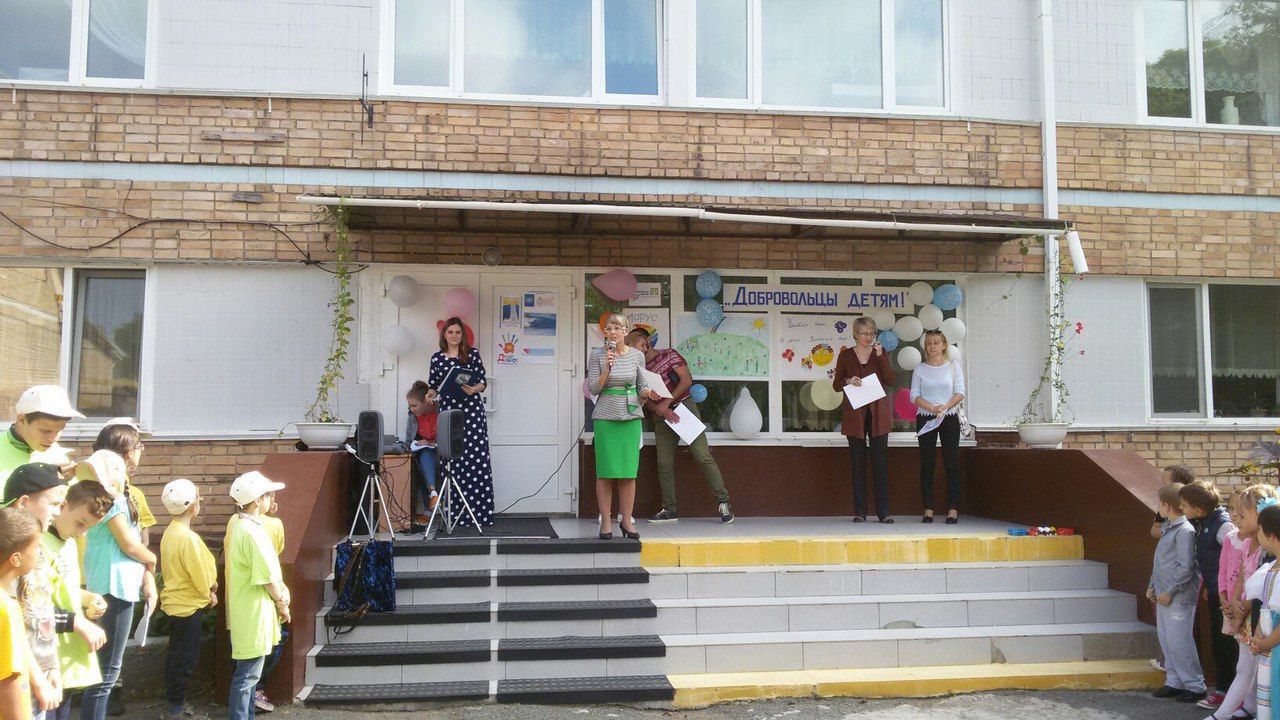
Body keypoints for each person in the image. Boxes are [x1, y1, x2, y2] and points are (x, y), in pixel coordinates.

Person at [624, 330, 733, 525]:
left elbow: (686, 380)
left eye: (635, 347)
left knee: (702, 455)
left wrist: (668, 402)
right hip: (662, 415)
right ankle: (669, 509)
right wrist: (660, 410)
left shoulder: (669, 354)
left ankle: (723, 502)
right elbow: (641, 397)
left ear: (645, 343)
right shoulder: (638, 369)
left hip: (684, 408)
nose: (634, 352)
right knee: (664, 463)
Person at [79, 449, 156, 720]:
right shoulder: (115, 501)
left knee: (102, 668)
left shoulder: (95, 500)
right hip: (116, 587)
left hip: (102, 583)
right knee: (108, 670)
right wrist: (152, 559)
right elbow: (130, 545)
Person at [4, 463, 72, 719]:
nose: (58, 512)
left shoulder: (36, 548)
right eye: (54, 504)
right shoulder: (13, 555)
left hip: (39, 678)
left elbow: (41, 611)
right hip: (19, 684)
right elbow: (14, 632)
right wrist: (39, 681)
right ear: (24, 502)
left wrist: (51, 666)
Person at [44, 479, 114, 720]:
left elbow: (66, 589)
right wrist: (79, 623)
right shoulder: (39, 544)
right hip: (47, 658)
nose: (82, 533)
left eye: (88, 528)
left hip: (66, 660)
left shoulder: (70, 543)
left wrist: (90, 599)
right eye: (80, 523)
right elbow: (34, 605)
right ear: (63, 506)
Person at [587, 314, 660, 540]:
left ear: (626, 332)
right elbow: (593, 388)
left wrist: (650, 393)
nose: (612, 332)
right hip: (605, 417)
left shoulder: (637, 356)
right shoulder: (597, 355)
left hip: (630, 416)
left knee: (628, 472)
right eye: (609, 328)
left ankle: (626, 520)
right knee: (605, 472)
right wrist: (608, 369)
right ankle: (606, 522)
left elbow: (641, 386)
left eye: (617, 328)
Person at [224, 471, 290, 720]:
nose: (270, 500)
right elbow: (268, 578)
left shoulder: (240, 526)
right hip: (254, 612)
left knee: (247, 676)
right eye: (267, 496)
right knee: (247, 677)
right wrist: (282, 602)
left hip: (247, 610)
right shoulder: (253, 532)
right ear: (257, 500)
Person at [428, 318, 495, 528]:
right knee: (452, 458)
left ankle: (480, 513)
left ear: (462, 335)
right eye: (450, 332)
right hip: (449, 412)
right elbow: (434, 386)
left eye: (458, 332)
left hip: (472, 412)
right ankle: (454, 512)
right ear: (444, 335)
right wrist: (430, 395)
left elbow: (482, 381)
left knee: (476, 459)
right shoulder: (437, 358)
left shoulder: (472, 354)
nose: (454, 335)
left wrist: (475, 389)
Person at [158, 479, 216, 720]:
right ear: (193, 506)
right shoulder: (188, 538)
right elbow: (199, 574)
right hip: (188, 606)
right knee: (185, 659)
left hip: (175, 604)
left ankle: (174, 705)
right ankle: (176, 708)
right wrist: (209, 591)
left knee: (176, 656)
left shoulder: (170, 533)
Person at [1180, 480, 1238, 711]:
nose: (1181, 509)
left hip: (1228, 597)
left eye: (1184, 505)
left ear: (1197, 509)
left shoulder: (1222, 527)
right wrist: (1210, 585)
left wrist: (1226, 589)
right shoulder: (1203, 522)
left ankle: (1227, 692)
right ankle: (1225, 691)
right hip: (1216, 591)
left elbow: (1236, 558)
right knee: (1218, 641)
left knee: (1226, 645)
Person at [833, 317, 896, 523]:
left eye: (872, 333)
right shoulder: (845, 356)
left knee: (880, 464)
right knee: (858, 464)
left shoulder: (880, 353)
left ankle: (883, 513)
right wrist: (848, 380)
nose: (868, 337)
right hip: (855, 415)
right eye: (864, 333)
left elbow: (890, 380)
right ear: (855, 334)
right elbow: (836, 385)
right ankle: (860, 512)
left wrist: (880, 357)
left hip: (878, 413)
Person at [1149, 482, 1207, 704]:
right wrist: (1152, 586)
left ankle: (1195, 685)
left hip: (1178, 596)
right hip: (1163, 593)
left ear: (1166, 506)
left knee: (1180, 640)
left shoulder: (1184, 531)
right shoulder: (1170, 528)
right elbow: (1160, 562)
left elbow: (1186, 567)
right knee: (1167, 639)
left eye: (1159, 504)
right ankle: (1174, 681)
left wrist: (1170, 591)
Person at [1212, 488, 1263, 720]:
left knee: (1246, 668)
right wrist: (1233, 600)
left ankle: (1221, 715)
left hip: (1253, 613)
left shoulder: (1265, 549)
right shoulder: (1248, 543)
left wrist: (1242, 610)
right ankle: (1249, 707)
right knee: (1248, 666)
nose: (1236, 519)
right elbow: (1242, 574)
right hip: (1242, 610)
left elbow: (1259, 585)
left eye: (1242, 515)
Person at [910, 329, 966, 524]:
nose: (932, 346)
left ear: (944, 345)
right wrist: (932, 407)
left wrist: (945, 406)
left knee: (951, 463)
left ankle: (953, 508)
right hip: (926, 418)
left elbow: (960, 392)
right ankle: (928, 508)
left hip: (948, 418)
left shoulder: (953, 366)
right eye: (928, 343)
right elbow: (914, 396)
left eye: (936, 343)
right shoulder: (920, 369)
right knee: (927, 464)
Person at [0, 507, 43, 720]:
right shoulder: (6, 609)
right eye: (36, 547)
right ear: (16, 559)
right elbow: (8, 680)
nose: (39, 553)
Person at [1, 386, 83, 491]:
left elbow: (72, 499)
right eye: (46, 431)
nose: (53, 439)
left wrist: (64, 482)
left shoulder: (56, 453)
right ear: (21, 420)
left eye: (59, 431)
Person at [252, 492, 287, 714]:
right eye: (269, 496)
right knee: (276, 639)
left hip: (241, 600)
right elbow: (278, 550)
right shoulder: (273, 525)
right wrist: (282, 602)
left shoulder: (235, 524)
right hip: (266, 596)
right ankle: (257, 689)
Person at [1247, 502, 1280, 720]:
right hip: (1269, 645)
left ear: (1271, 535)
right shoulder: (1272, 566)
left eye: (1259, 529)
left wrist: (1268, 643)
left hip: (1275, 644)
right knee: (1269, 695)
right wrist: (1259, 634)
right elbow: (1266, 604)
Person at [402, 381, 441, 526]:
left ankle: (431, 503)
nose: (411, 409)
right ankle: (432, 495)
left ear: (425, 402)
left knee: (426, 457)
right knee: (422, 460)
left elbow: (450, 436)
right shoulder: (413, 416)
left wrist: (431, 443)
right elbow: (409, 439)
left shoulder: (441, 410)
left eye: (414, 405)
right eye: (409, 406)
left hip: (442, 451)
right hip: (424, 453)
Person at [1153, 465, 1197, 540]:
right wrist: (1170, 534)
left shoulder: (1196, 506)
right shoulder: (1165, 505)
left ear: (1178, 485)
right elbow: (1155, 529)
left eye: (1165, 484)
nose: (1161, 488)